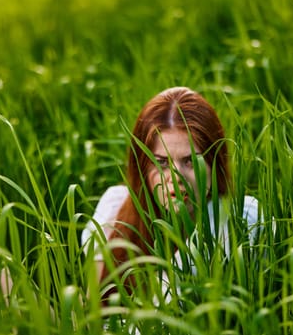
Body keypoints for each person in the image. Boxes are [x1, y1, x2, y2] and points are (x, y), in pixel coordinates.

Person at [81, 87, 260, 301]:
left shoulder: (234, 221)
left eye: (190, 161)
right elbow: (89, 315)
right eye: (161, 162)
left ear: (214, 163)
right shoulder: (116, 208)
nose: (176, 178)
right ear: (143, 167)